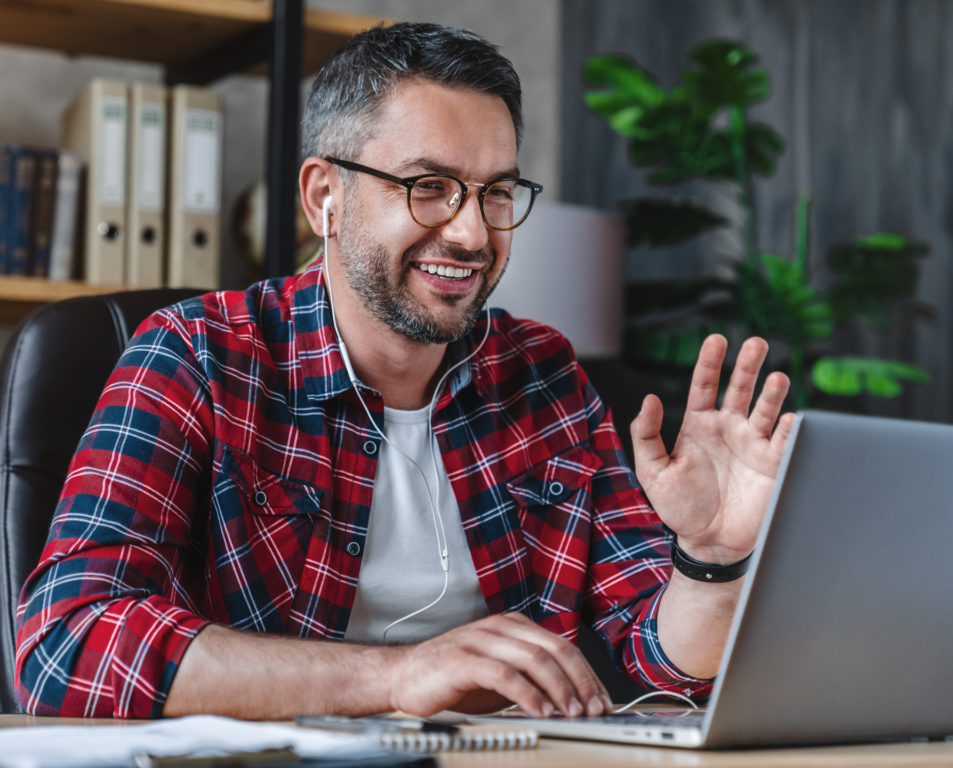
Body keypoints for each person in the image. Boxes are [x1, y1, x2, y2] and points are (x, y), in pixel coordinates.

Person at [15, 22, 793, 721]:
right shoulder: (198, 356)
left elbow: (662, 664)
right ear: (325, 197)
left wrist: (711, 556)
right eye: (429, 188)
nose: (472, 233)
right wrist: (398, 677)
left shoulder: (544, 373)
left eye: (495, 193)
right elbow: (66, 644)